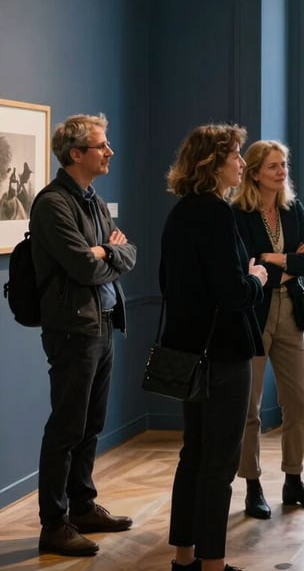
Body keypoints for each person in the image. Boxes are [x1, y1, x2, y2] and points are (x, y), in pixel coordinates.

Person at [160, 124, 268, 571]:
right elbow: (233, 294)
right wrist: (256, 278)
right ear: (213, 162)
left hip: (185, 349)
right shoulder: (217, 214)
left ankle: (185, 557)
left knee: (193, 454)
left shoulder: (181, 212)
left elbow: (167, 284)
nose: (242, 163)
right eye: (236, 155)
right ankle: (214, 565)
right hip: (222, 352)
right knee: (220, 462)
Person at [30, 114, 137, 557]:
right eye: (101, 146)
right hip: (73, 329)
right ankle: (54, 524)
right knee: (67, 426)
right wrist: (106, 252)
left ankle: (82, 505)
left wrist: (107, 249)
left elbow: (126, 252)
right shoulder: (53, 204)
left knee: (91, 423)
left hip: (102, 322)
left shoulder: (92, 199)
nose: (110, 151)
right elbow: (84, 266)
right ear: (77, 154)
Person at [231, 140, 304, 519]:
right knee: (250, 406)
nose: (281, 171)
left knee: (298, 402)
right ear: (254, 172)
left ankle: (293, 480)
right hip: (253, 313)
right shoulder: (238, 212)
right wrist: (287, 263)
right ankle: (253, 485)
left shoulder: (292, 207)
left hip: (290, 311)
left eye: (283, 164)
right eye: (273, 166)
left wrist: (274, 259)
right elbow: (244, 264)